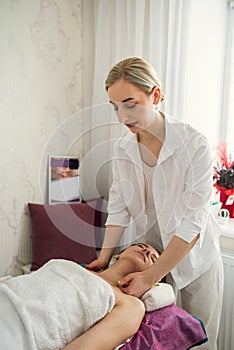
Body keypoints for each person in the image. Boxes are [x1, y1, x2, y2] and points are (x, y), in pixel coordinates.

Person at [86, 57, 224, 350]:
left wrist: (151, 276)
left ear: (156, 96)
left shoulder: (194, 144)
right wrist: (105, 255)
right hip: (154, 253)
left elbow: (192, 222)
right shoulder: (122, 148)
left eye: (130, 103)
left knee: (200, 343)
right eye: (115, 107)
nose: (122, 116)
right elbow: (120, 207)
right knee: (162, 342)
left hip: (197, 259)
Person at [0, 243, 159, 350]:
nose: (146, 252)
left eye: (153, 259)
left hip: (16, 331)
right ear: (118, 254)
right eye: (142, 246)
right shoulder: (72, 266)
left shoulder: (131, 305)